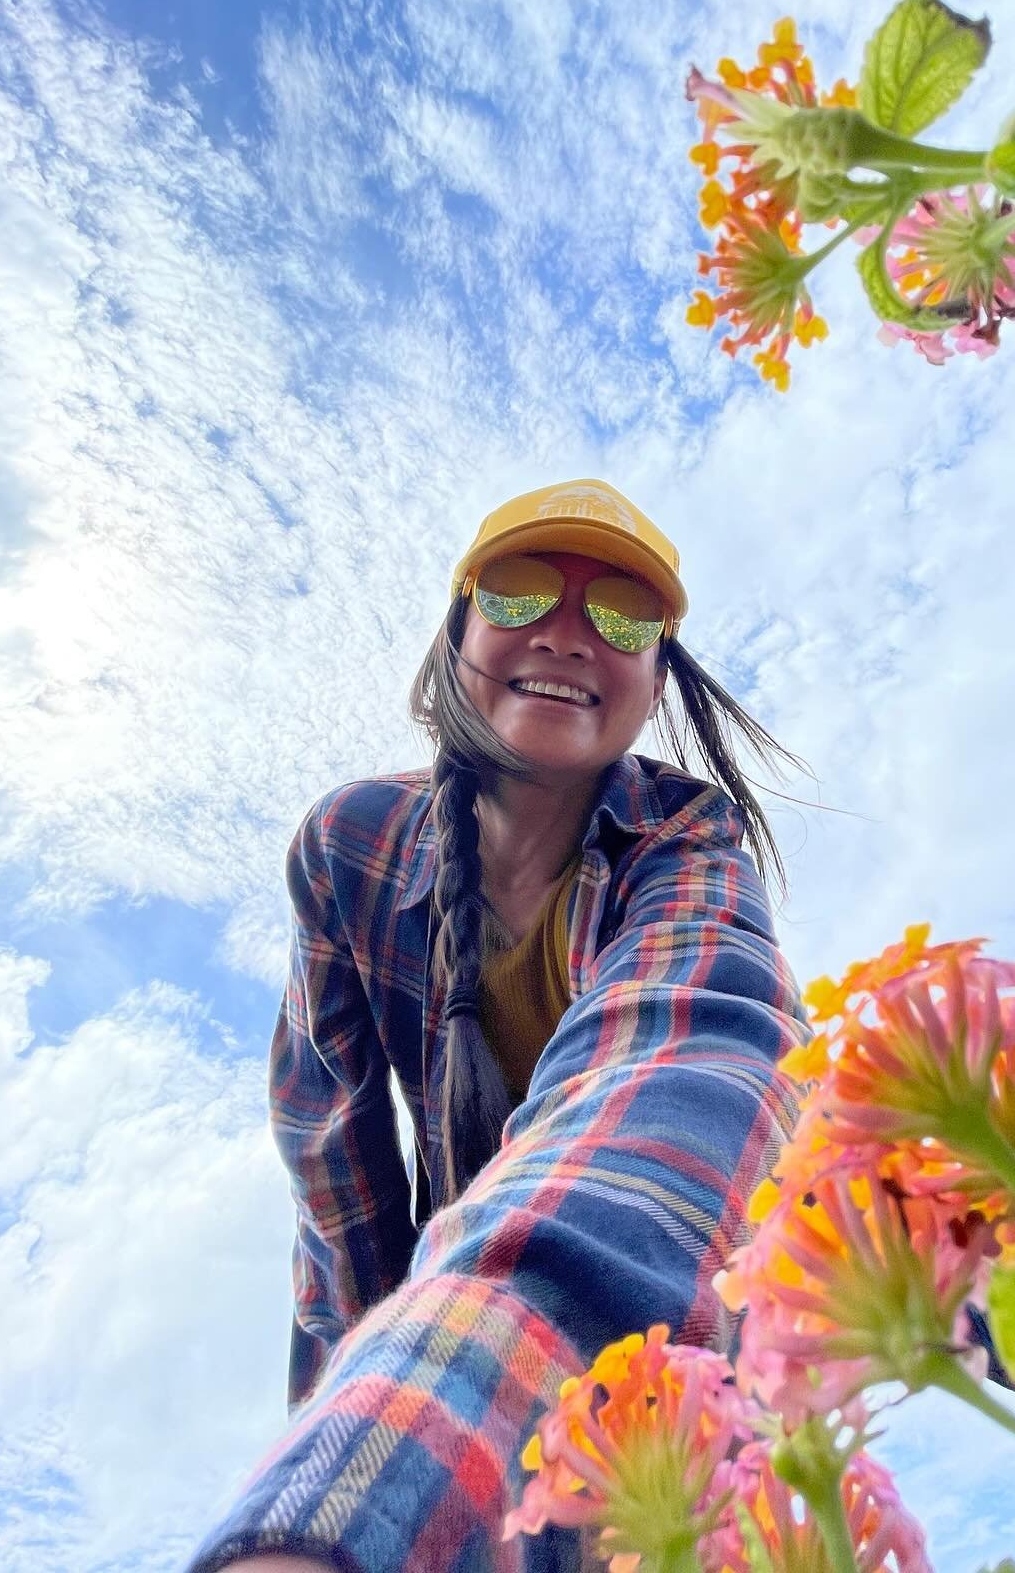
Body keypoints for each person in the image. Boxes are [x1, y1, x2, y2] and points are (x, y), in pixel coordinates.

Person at [189, 478, 811, 1573]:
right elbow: (336, 1178)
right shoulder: (350, 845)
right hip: (447, 1337)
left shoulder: (688, 842)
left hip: (693, 1335)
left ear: (657, 674)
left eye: (626, 618)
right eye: (521, 593)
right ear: (458, 632)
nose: (569, 636)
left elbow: (687, 1064)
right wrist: (343, 1456)